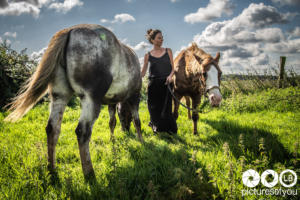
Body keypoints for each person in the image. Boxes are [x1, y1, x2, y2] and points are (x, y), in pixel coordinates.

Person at [141, 29, 177, 134]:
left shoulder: (168, 51)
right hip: (153, 85)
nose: (162, 39)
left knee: (166, 108)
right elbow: (143, 73)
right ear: (152, 40)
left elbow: (173, 69)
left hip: (167, 84)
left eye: (162, 37)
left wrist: (170, 76)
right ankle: (156, 126)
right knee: (154, 107)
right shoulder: (148, 55)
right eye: (159, 38)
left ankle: (168, 129)